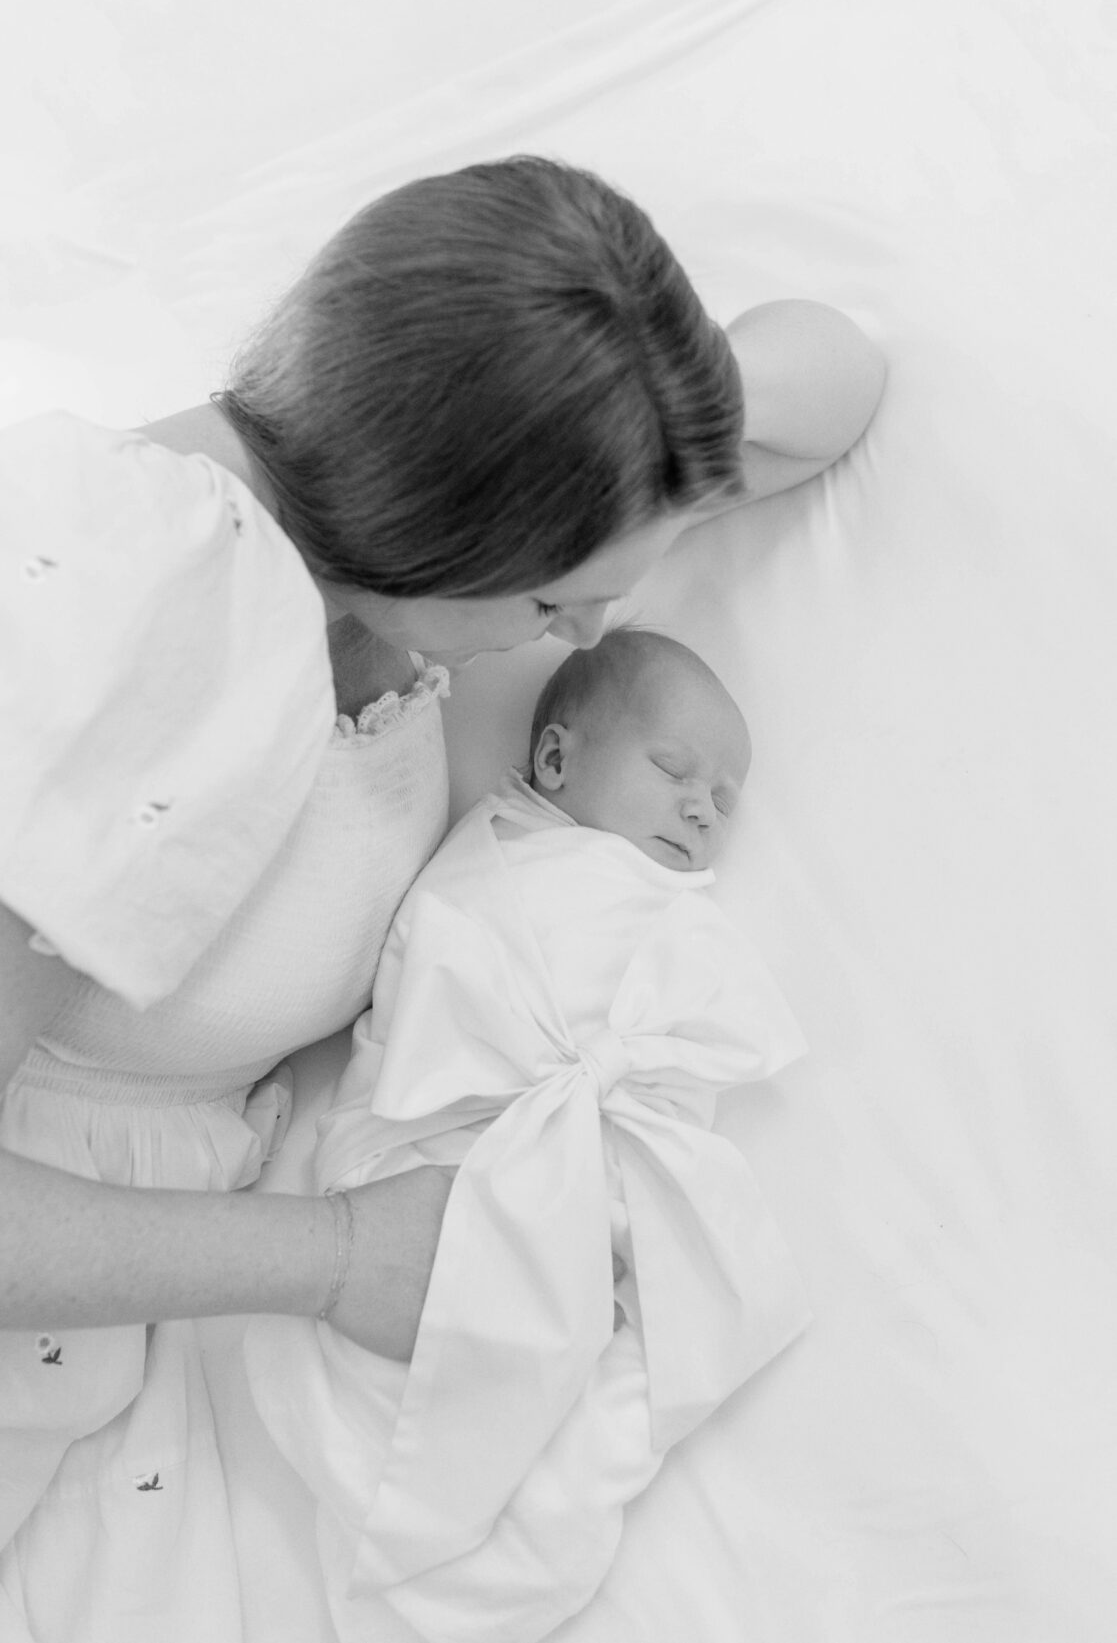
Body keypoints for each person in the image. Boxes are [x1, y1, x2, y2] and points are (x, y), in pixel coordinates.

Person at [0, 155, 884, 1638]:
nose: (590, 632)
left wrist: (630, 401)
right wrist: (340, 1261)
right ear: (438, 510)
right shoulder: (133, 627)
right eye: (553, 603)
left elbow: (839, 377)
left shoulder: (374, 540)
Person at [245, 629, 812, 1643]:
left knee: (626, 1354)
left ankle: (498, 1553)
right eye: (675, 770)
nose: (701, 805)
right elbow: (433, 982)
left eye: (725, 798)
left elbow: (683, 1062)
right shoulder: (488, 861)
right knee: (421, 1340)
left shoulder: (668, 911)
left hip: (573, 1161)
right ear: (554, 760)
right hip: (436, 1150)